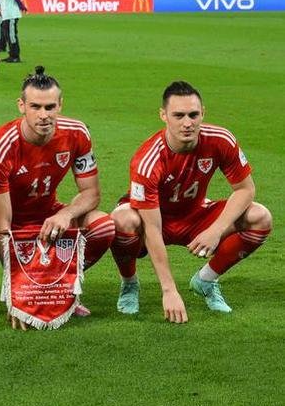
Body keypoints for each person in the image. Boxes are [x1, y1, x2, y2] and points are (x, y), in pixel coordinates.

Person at [0, 67, 115, 321]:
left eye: (50, 107)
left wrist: (65, 214)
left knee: (103, 226)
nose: (43, 115)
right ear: (21, 106)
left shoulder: (77, 133)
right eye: (35, 107)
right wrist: (17, 294)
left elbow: (91, 194)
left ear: (60, 105)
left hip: (45, 215)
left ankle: (61, 287)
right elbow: (2, 223)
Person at [109, 82, 272, 321]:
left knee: (260, 217)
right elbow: (153, 229)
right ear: (163, 115)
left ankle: (206, 280)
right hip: (154, 221)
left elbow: (246, 190)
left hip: (195, 216)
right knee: (121, 220)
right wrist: (169, 291)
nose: (187, 123)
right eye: (179, 115)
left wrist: (216, 230)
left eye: (193, 115)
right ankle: (130, 283)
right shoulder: (148, 160)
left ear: (203, 113)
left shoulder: (220, 140)